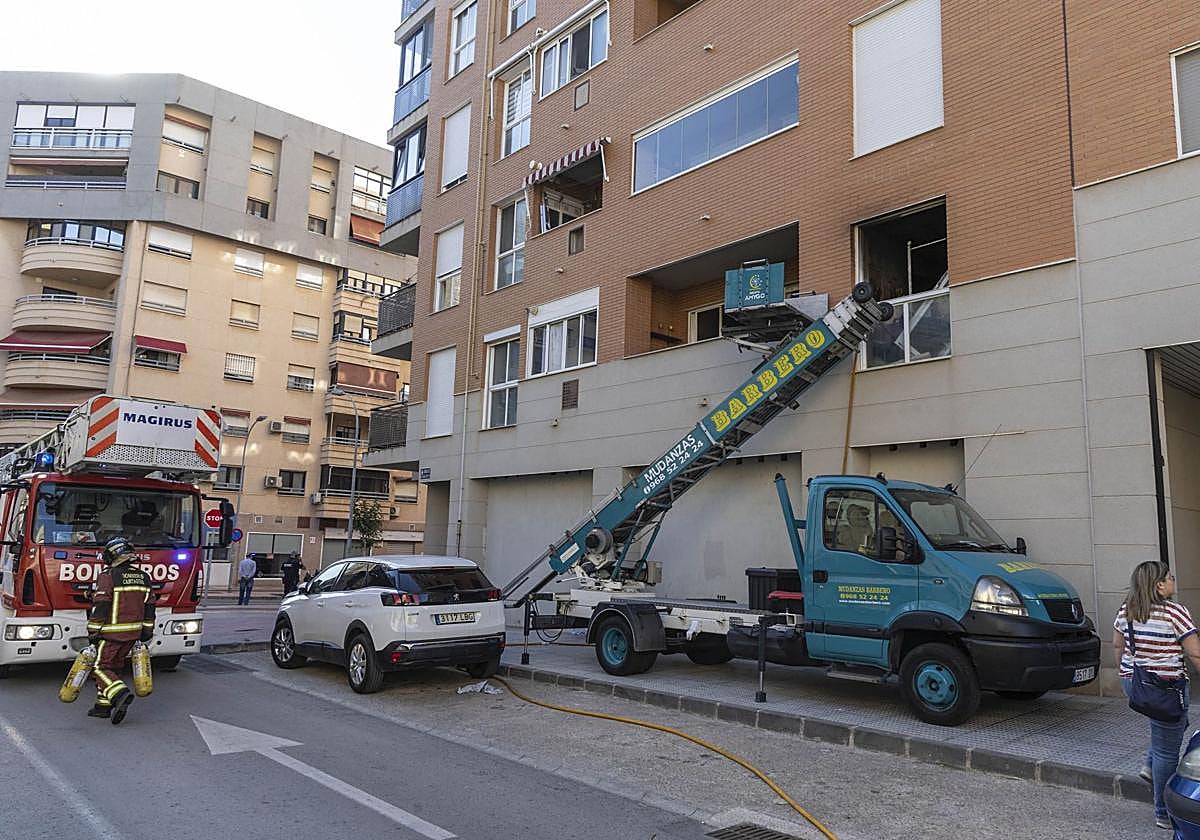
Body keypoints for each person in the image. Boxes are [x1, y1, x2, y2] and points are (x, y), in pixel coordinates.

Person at [1114, 561, 1200, 830]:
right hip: (1165, 689)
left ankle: (1150, 764)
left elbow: (1117, 646)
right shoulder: (1175, 612)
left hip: (1135, 682)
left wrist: (1125, 675)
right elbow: (1195, 653)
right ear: (1159, 585)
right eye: (1170, 577)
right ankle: (1163, 812)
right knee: (1167, 750)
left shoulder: (1127, 609)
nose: (1173, 580)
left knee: (1175, 725)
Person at [85, 537, 154, 725]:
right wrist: (147, 630)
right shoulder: (143, 577)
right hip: (133, 634)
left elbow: (102, 605)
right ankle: (103, 707)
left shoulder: (108, 576)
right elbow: (149, 606)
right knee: (114, 667)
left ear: (112, 556)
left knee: (99, 668)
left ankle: (119, 694)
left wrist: (93, 630)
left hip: (110, 634)